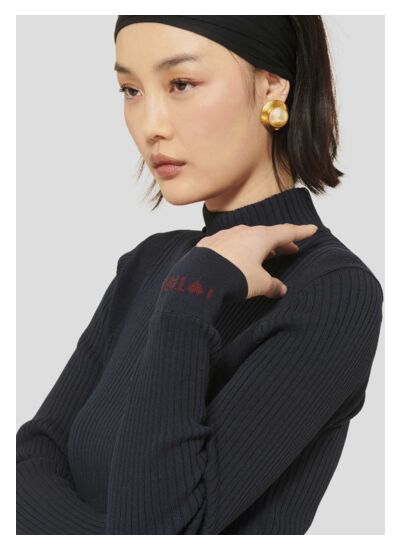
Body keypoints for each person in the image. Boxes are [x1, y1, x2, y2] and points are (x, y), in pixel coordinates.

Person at [16, 16, 384, 534]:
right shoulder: (149, 265)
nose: (150, 125)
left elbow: (158, 530)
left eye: (181, 84)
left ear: (272, 86)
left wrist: (190, 300)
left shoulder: (332, 291)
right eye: (131, 90)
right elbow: (26, 464)